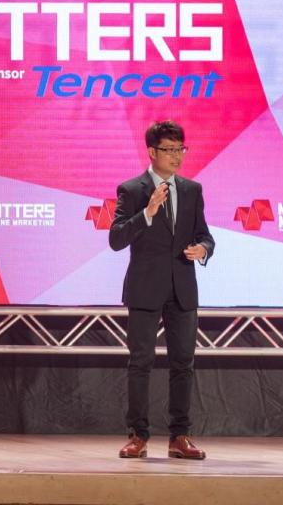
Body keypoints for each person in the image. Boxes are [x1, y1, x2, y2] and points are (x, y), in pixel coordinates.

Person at [109, 120, 214, 460]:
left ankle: (179, 436)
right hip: (145, 288)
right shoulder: (132, 189)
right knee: (141, 362)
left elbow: (204, 234)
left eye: (180, 150)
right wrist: (148, 212)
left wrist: (204, 250)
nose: (176, 157)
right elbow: (116, 239)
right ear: (152, 152)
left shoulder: (192, 190)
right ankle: (138, 435)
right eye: (169, 150)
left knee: (183, 363)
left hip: (182, 288)